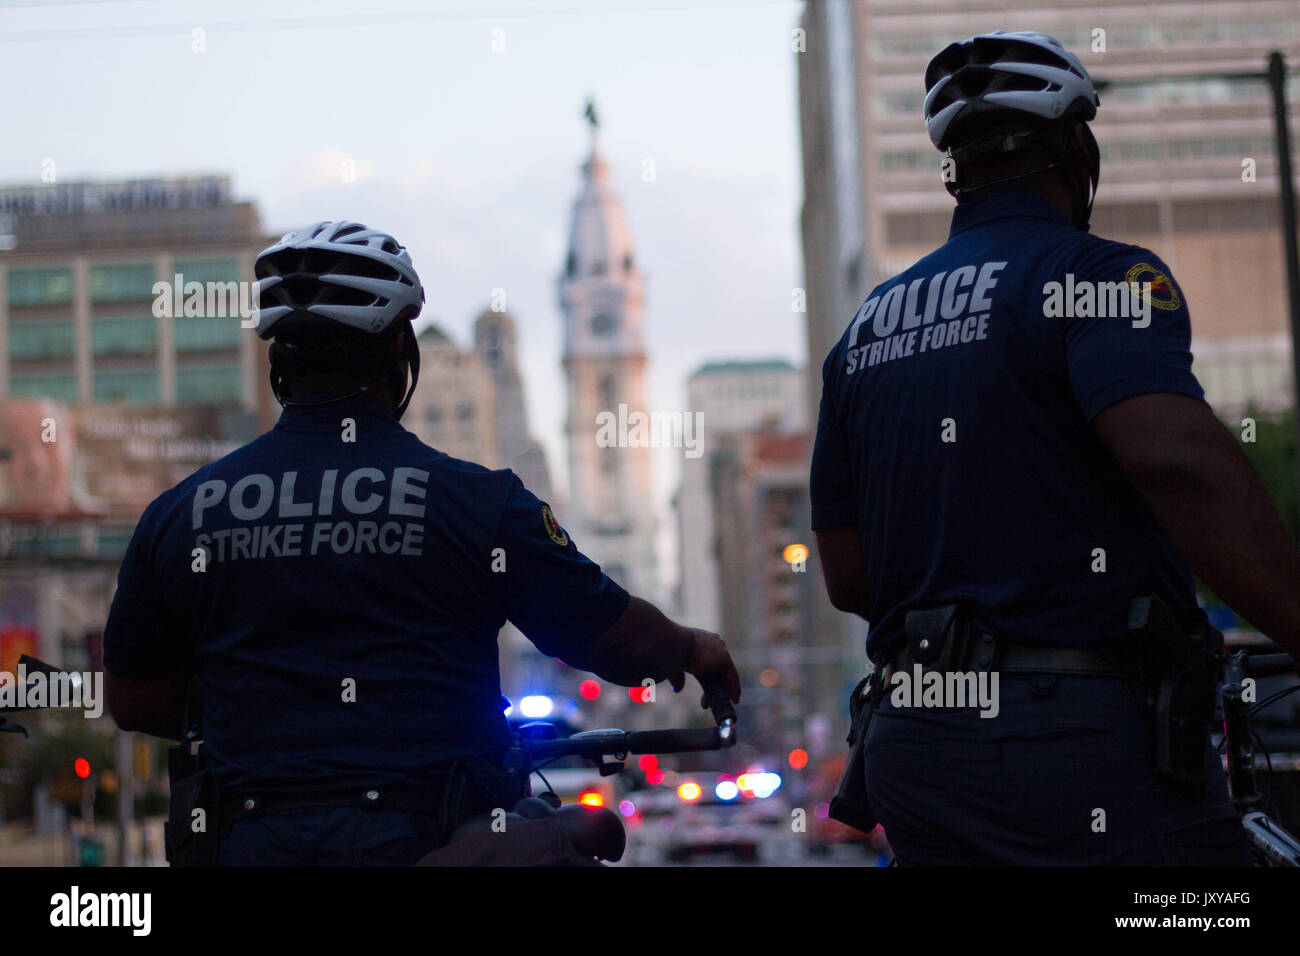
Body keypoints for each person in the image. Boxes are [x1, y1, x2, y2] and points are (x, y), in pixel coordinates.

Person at [103, 220, 740, 866]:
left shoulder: (180, 515)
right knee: (585, 838)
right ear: (396, 355)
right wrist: (692, 649)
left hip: (248, 842)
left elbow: (133, 701)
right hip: (432, 837)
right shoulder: (475, 502)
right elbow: (611, 637)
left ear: (278, 365)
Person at [810, 31, 1300, 865]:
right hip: (1076, 744)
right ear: (1077, 145)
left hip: (915, 744)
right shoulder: (1099, 275)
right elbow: (1175, 462)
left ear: (954, 172)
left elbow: (850, 578)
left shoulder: (862, 334)